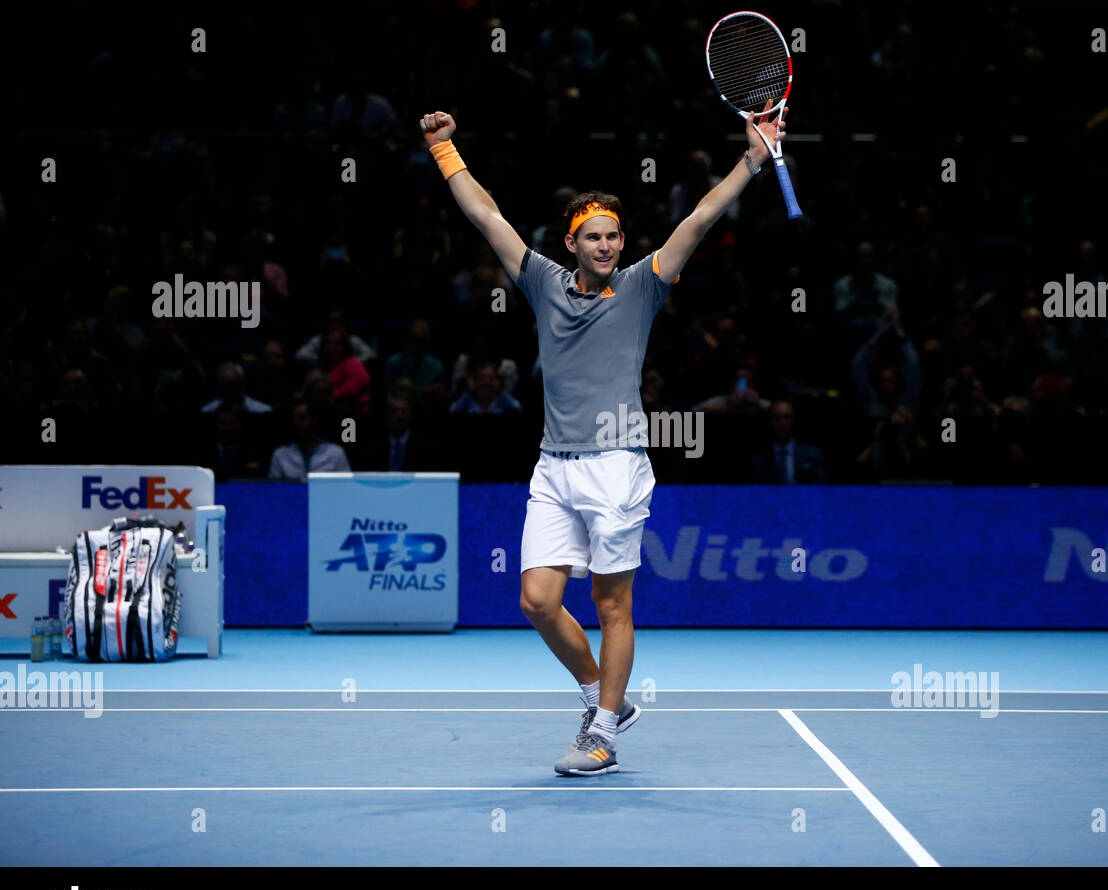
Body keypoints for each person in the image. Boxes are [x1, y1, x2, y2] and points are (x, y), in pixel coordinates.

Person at [419, 98, 788, 775]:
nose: (607, 246)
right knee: (535, 600)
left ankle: (604, 735)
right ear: (572, 243)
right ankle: (600, 694)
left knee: (611, 602)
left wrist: (751, 161)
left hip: (615, 467)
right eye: (594, 237)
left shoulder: (644, 285)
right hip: (552, 468)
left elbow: (701, 218)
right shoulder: (540, 281)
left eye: (614, 236)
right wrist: (445, 149)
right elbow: (484, 215)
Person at [267, 398, 351, 480]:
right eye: (294, 418)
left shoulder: (335, 453)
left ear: (314, 419)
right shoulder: (280, 454)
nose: (296, 422)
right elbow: (274, 489)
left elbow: (346, 487)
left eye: (301, 417)